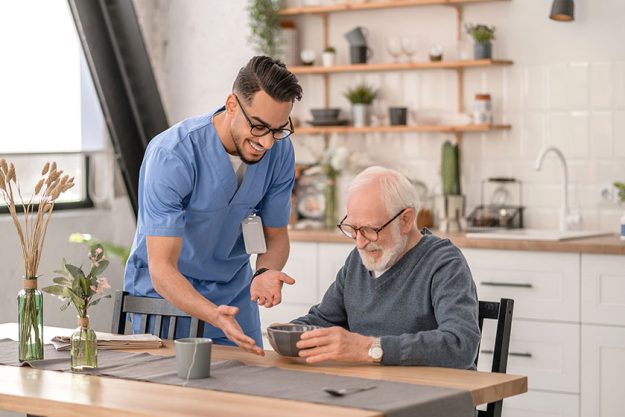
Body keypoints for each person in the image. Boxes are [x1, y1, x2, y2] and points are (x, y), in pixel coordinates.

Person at [124, 56, 303, 356]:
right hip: (166, 297)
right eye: (258, 127)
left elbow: (275, 236)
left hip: (232, 296)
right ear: (232, 105)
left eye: (278, 129)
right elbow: (162, 267)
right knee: (168, 396)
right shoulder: (173, 154)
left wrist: (264, 272)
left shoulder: (280, 153)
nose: (268, 143)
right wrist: (211, 314)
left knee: (246, 394)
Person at [291, 166, 481, 368]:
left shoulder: (444, 262)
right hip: (368, 390)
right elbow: (321, 320)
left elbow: (461, 345)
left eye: (370, 229)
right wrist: (286, 332)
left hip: (433, 393)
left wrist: (369, 349)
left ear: (406, 220)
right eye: (353, 228)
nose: (360, 242)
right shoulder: (358, 260)